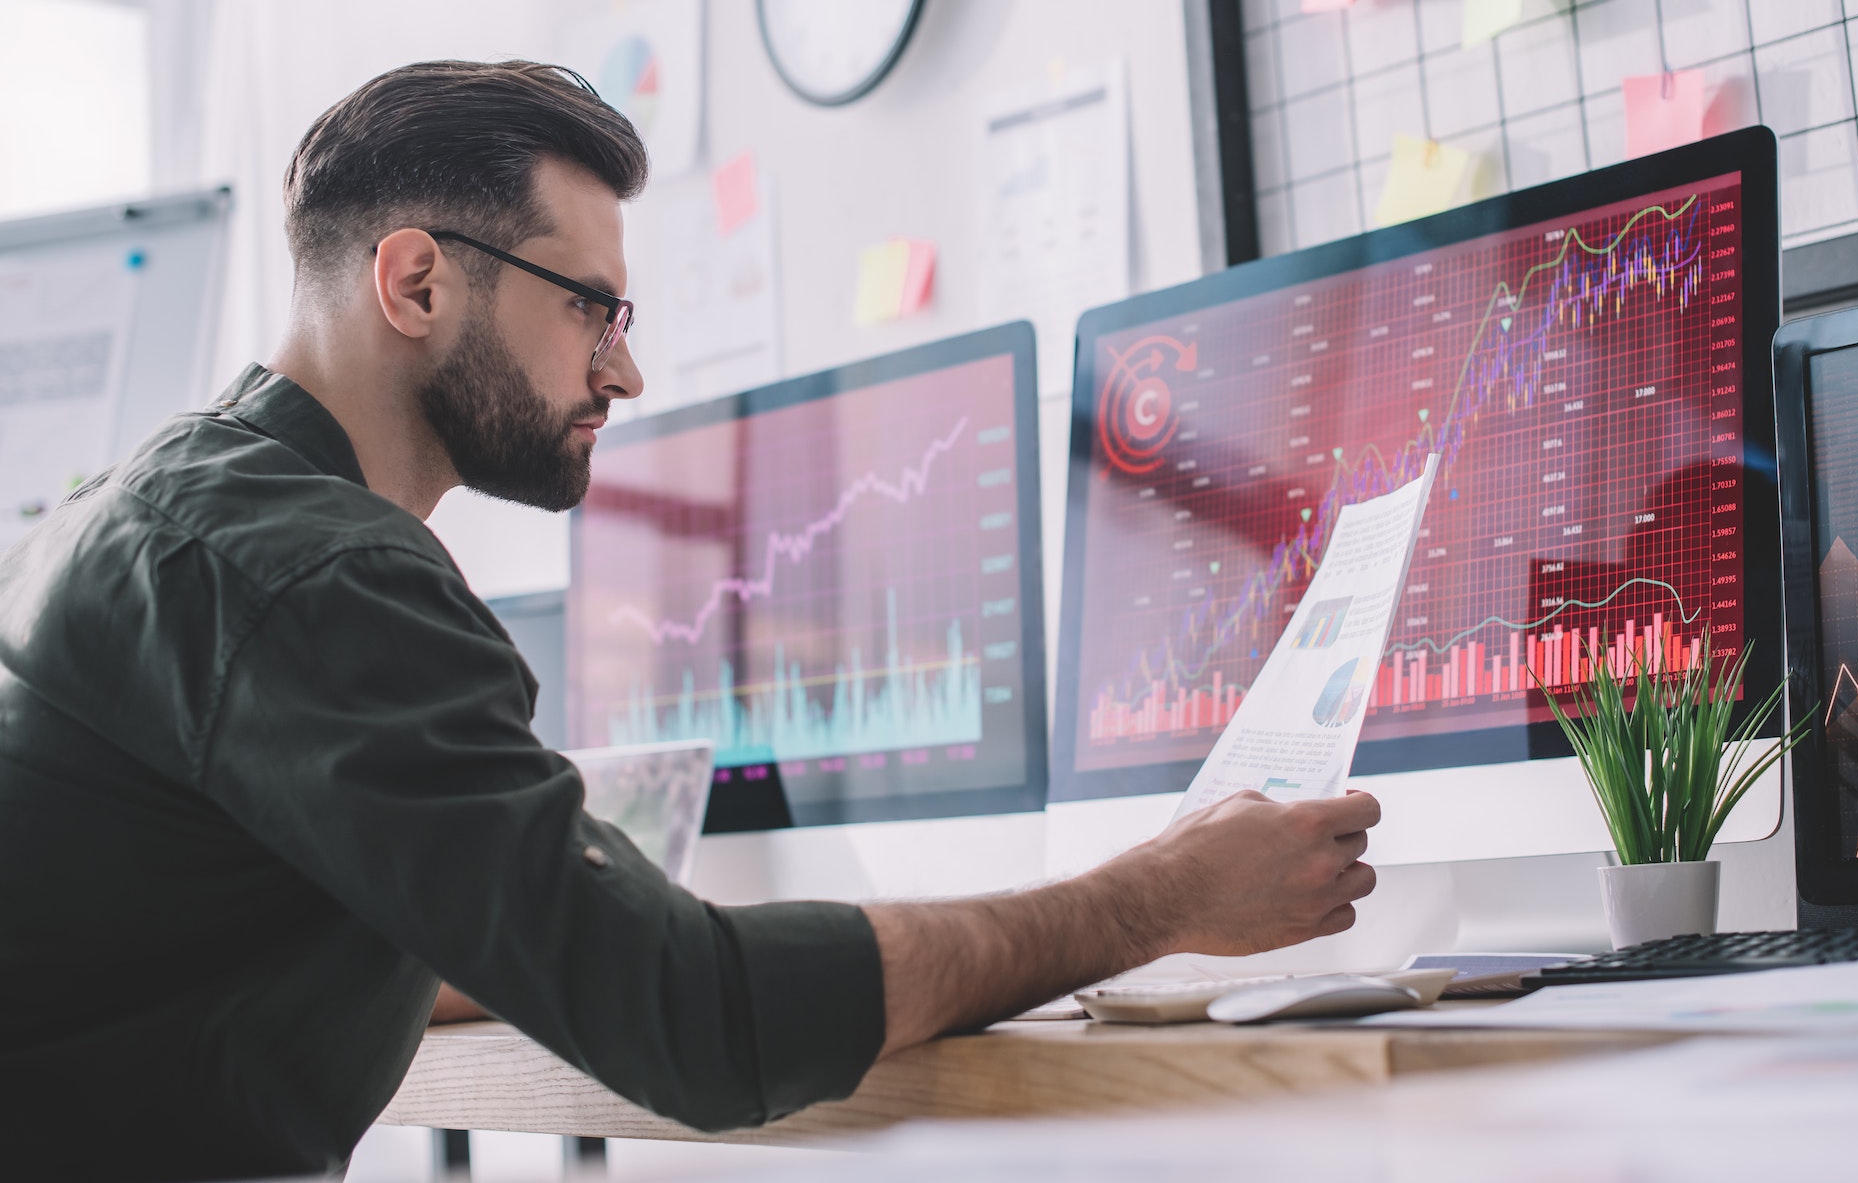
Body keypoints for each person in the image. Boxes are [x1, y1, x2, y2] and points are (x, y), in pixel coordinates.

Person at [0, 60, 1380, 1181]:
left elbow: (215, 949)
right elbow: (697, 1028)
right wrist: (1158, 897)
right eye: (589, 309)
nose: (628, 368)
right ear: (416, 283)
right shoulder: (317, 575)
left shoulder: (155, 505)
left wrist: (564, 940)